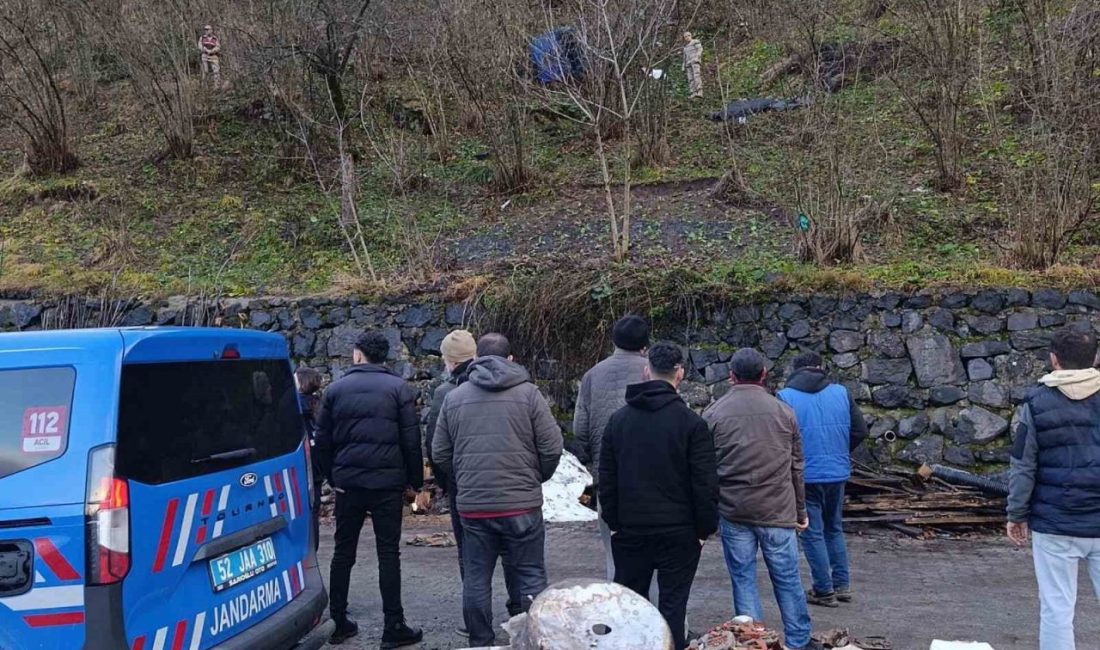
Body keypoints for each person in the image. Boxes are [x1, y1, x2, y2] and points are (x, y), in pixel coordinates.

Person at [432, 333, 563, 648]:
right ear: (511, 359)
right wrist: (535, 477)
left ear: (477, 358)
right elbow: (552, 447)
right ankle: (533, 639)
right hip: (522, 504)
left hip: (475, 507)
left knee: (476, 577)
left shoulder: (454, 397)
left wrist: (465, 479)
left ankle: (480, 641)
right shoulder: (529, 394)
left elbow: (439, 453)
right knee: (531, 574)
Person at [599, 342, 718, 650]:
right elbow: (705, 484)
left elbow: (607, 480)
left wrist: (614, 523)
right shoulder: (692, 424)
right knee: (673, 608)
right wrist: (704, 530)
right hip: (680, 532)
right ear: (680, 374)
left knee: (630, 608)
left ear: (646, 371)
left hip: (630, 529)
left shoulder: (618, 421)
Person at [703, 348, 821, 650]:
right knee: (788, 578)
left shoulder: (714, 413)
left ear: (731, 376)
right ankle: (798, 640)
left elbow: (707, 469)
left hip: (735, 510)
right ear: (764, 374)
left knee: (743, 579)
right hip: (778, 509)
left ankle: (752, 642)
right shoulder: (784, 412)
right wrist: (800, 511)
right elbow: (797, 467)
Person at [314, 331, 423, 647]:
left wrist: (332, 476)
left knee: (343, 551)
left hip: (348, 484)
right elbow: (411, 441)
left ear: (358, 354)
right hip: (387, 485)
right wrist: (415, 482)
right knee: (388, 553)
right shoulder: (398, 389)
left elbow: (322, 441)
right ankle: (394, 625)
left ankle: (338, 621)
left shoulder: (335, 390)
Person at [1008, 324, 1100, 650]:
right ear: (1096, 357)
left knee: (1057, 609)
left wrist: (1016, 513)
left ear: (1053, 359)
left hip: (1055, 522)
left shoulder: (1036, 402)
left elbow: (1023, 465)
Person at [424, 330, 521, 637]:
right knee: (516, 556)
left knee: (472, 560)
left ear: (450, 361)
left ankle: (477, 626)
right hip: (514, 487)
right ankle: (520, 614)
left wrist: (451, 481)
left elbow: (436, 447)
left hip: (466, 489)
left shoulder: (447, 393)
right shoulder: (518, 386)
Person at [778, 352, 868, 607]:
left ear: (795, 369)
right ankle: (842, 585)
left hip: (804, 475)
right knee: (834, 528)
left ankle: (823, 590)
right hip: (837, 472)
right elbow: (860, 430)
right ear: (820, 367)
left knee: (811, 532)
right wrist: (839, 452)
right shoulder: (841, 392)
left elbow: (780, 439)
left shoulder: (785, 397)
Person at [574, 314, 650, 582]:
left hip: (608, 479)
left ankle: (618, 605)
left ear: (614, 341)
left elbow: (580, 430)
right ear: (645, 345)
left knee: (614, 557)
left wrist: (593, 456)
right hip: (653, 481)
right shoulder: (654, 371)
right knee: (654, 563)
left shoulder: (592, 375)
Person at [294, 366, 324, 551]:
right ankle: (313, 549)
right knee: (313, 511)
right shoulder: (319, 406)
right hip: (317, 467)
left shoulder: (291, 406)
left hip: (299, 466)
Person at [682, 32, 703, 99]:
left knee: (696, 76)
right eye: (685, 36)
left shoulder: (695, 42)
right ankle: (693, 92)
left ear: (691, 35)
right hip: (688, 64)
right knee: (690, 78)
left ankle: (699, 91)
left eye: (688, 36)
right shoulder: (685, 47)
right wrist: (683, 65)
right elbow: (684, 57)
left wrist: (697, 57)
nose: (687, 37)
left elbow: (700, 49)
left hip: (694, 62)